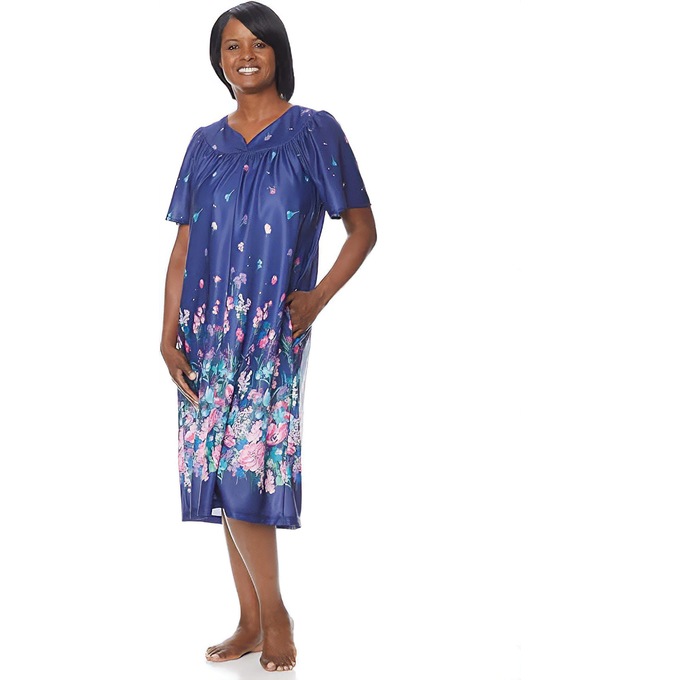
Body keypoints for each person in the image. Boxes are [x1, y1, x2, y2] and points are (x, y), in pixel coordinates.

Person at [159, 1, 376, 672]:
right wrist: (166, 336)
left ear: (278, 52)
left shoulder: (313, 131)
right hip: (204, 334)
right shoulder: (203, 143)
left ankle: (276, 615)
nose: (244, 55)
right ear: (218, 60)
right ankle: (250, 621)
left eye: (257, 42)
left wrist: (316, 299)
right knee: (221, 477)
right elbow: (182, 249)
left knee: (245, 470)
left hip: (270, 332)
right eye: (231, 45)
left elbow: (363, 230)